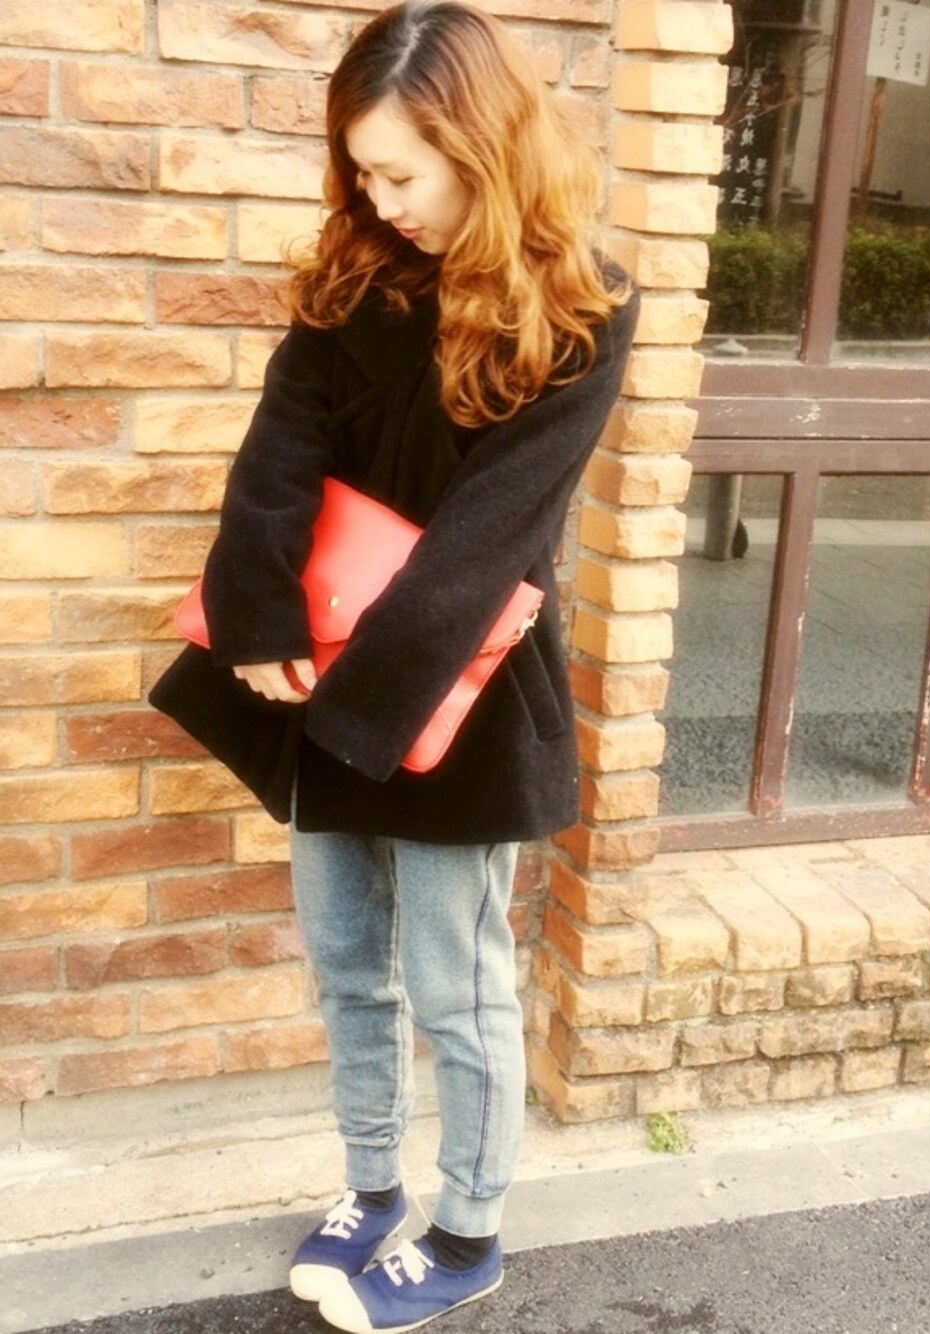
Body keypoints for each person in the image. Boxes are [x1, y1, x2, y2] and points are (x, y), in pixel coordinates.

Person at [151, 2, 639, 1329]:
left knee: (457, 983)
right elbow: (279, 448)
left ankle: (468, 1229)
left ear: (483, 151)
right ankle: (372, 1188)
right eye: (360, 172)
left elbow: (492, 537)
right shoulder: (356, 275)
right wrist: (258, 624)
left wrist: (352, 709)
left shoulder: (582, 310)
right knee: (348, 964)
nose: (378, 201)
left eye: (403, 174)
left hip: (451, 693)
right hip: (316, 676)